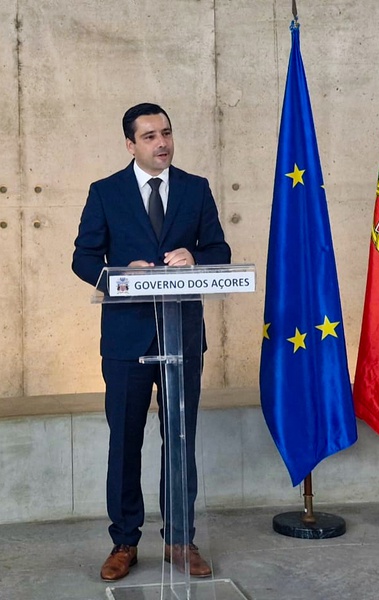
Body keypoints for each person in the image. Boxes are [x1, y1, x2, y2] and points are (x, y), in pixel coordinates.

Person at [72, 103, 231, 581]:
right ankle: (124, 541)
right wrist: (118, 275)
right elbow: (83, 257)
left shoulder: (195, 188)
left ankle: (180, 540)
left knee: (179, 438)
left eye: (166, 132)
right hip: (125, 339)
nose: (162, 142)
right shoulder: (105, 192)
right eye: (149, 136)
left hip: (181, 334)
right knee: (125, 439)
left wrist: (195, 257)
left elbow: (219, 250)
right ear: (130, 145)